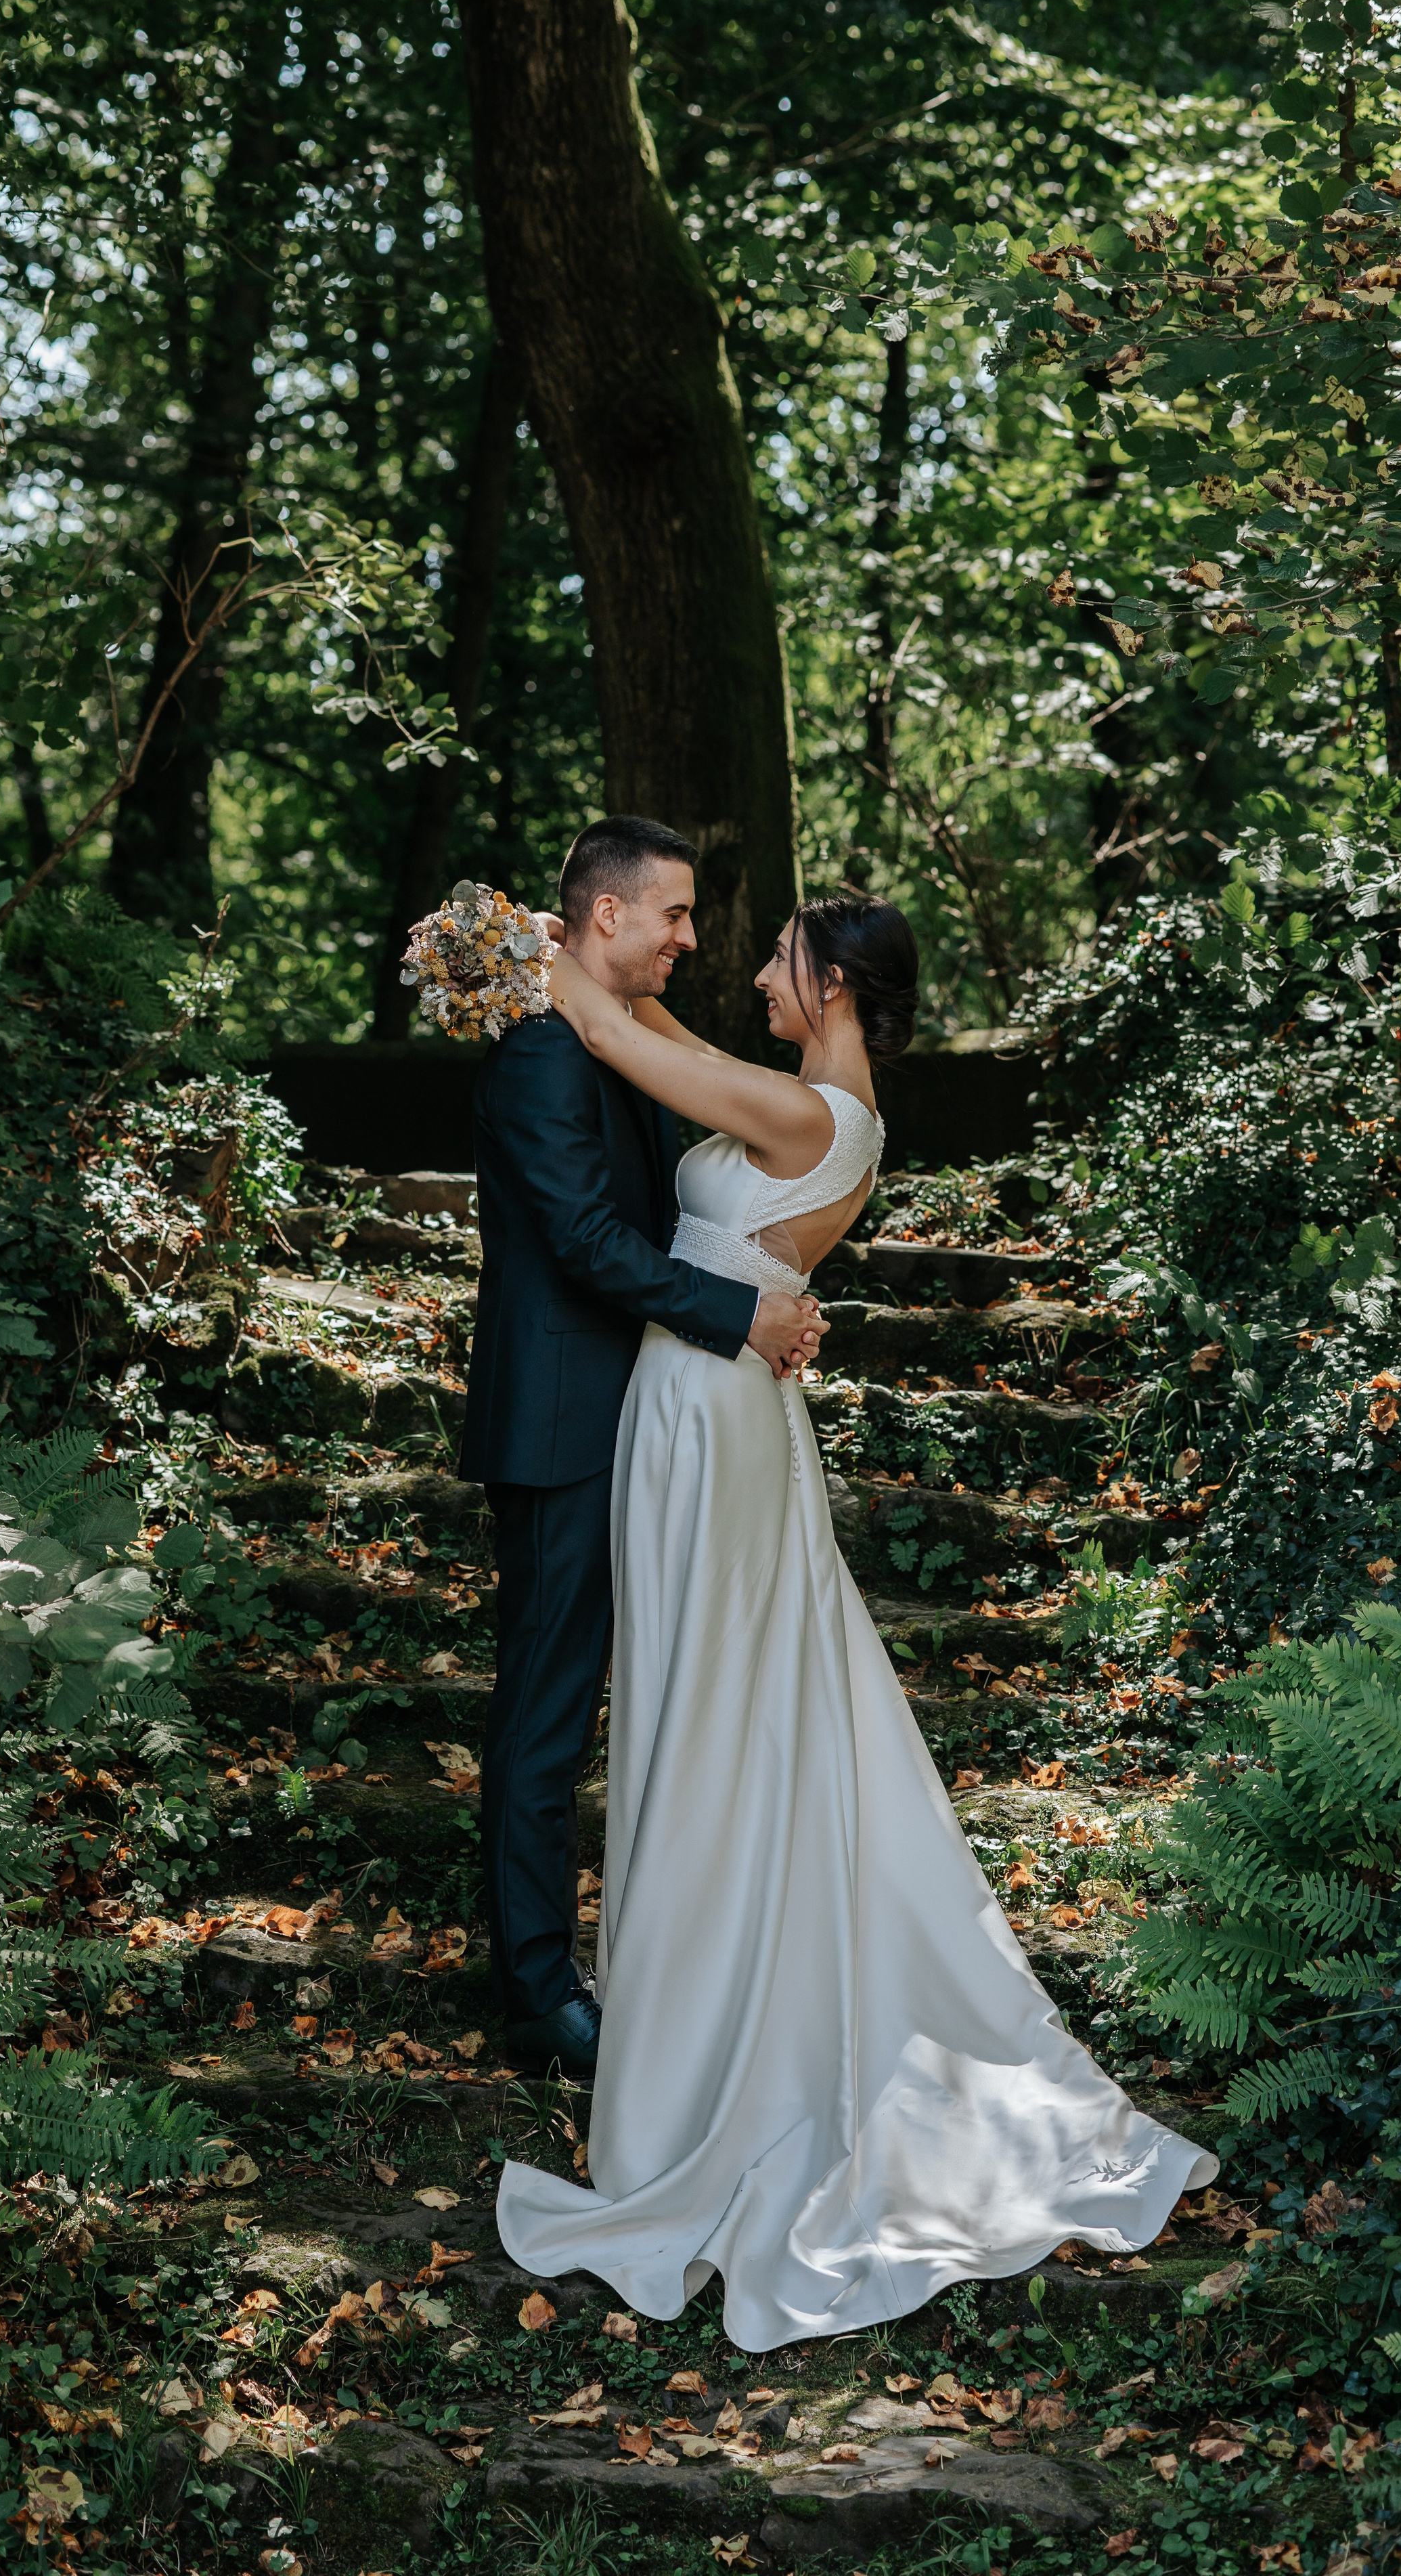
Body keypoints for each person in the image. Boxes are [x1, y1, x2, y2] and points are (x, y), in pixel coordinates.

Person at [494, 888, 1218, 2349]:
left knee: (711, 1719)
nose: (745, 966)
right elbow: (659, 1037)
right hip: (703, 1407)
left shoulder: (813, 1118)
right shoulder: (812, 1099)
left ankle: (708, 2061)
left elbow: (608, 1026)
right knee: (719, 1711)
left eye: (771, 952)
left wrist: (517, 947)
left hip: (710, 1416)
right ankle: (695, 2019)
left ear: (824, 980)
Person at [460, 816, 826, 2082]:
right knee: (547, 1712)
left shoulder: (615, 1044)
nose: (689, 936)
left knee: (593, 1701)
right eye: (670, 914)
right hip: (559, 1421)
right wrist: (739, 1317)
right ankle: (534, 1990)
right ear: (602, 916)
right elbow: (583, 1243)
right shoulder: (541, 1052)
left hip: (634, 1416)